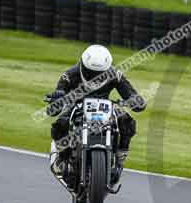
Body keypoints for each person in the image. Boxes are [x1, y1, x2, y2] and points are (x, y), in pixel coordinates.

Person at [47, 45, 146, 184]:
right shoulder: (70, 74)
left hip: (106, 106)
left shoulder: (115, 74)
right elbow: (55, 104)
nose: (95, 77)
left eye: (100, 74)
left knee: (127, 121)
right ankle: (62, 160)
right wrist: (58, 96)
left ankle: (120, 157)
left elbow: (130, 93)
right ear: (83, 65)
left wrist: (136, 100)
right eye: (90, 72)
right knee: (61, 124)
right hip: (77, 104)